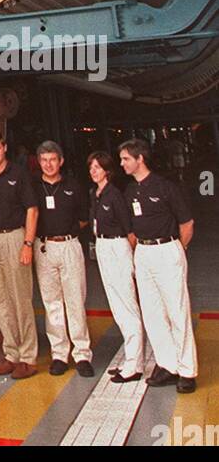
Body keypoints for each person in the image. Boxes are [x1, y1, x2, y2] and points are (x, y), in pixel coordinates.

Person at [120, 138, 197, 393]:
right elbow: (131, 227)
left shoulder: (166, 187)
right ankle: (167, 365)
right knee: (152, 313)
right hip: (143, 252)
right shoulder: (130, 191)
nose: (122, 164)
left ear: (139, 159)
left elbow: (187, 224)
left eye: (126, 159)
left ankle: (187, 371)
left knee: (177, 311)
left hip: (167, 250)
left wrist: (177, 250)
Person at [0, 130, 39, 380]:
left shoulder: (19, 174)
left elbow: (32, 210)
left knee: (20, 298)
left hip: (15, 237)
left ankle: (28, 357)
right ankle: (11, 354)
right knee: (0, 300)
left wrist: (27, 243)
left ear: (4, 148)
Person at [33, 140, 93, 377]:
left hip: (69, 245)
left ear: (61, 161)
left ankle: (82, 353)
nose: (48, 164)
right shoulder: (34, 187)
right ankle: (59, 353)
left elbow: (84, 217)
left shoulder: (73, 186)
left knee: (75, 299)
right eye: (44, 160)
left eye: (53, 160)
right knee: (52, 302)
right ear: (39, 163)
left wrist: (66, 232)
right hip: (44, 246)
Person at [88, 151, 144, 383]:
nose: (93, 171)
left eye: (98, 167)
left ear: (107, 171)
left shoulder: (115, 195)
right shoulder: (96, 194)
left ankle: (135, 364)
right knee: (117, 305)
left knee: (127, 305)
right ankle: (131, 357)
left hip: (117, 246)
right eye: (91, 168)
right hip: (102, 246)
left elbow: (130, 231)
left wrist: (127, 258)